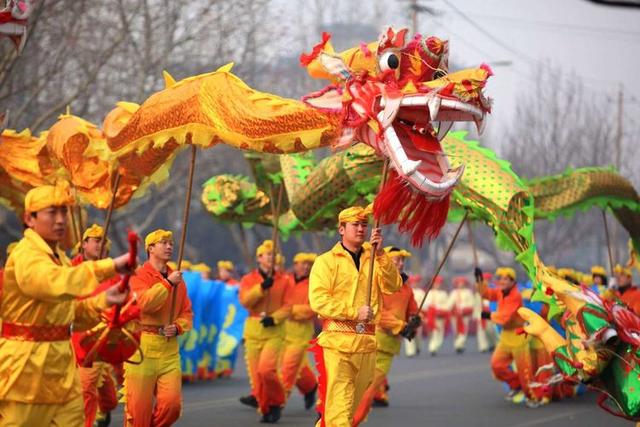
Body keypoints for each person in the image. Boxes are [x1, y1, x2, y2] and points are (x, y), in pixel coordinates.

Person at [0, 182, 131, 426]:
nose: (61, 220)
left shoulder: (59, 256)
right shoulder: (26, 255)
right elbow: (54, 283)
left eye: (63, 212)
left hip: (62, 371)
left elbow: (68, 314)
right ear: (29, 218)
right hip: (26, 372)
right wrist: (109, 267)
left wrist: (104, 300)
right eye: (52, 212)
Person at [309, 205, 402, 427]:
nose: (361, 229)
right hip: (336, 345)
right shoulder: (326, 261)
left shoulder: (375, 258)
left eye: (363, 225)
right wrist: (354, 313)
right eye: (355, 225)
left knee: (348, 411)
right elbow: (319, 301)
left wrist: (380, 254)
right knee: (339, 412)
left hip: (367, 345)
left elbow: (393, 285)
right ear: (341, 229)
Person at [123, 229, 193, 427]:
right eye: (163, 243)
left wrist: (178, 327)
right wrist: (168, 284)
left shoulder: (177, 278)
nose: (169, 246)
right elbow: (144, 303)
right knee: (138, 411)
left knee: (172, 406)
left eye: (171, 243)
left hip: (169, 350)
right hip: (141, 348)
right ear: (150, 248)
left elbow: (187, 313)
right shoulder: (138, 275)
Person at [353, 246, 420, 425]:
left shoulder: (406, 288)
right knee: (360, 386)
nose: (400, 263)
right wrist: (401, 326)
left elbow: (412, 311)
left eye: (402, 260)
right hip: (371, 340)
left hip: (388, 346)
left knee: (370, 388)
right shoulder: (378, 283)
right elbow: (377, 313)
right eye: (395, 260)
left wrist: (414, 322)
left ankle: (350, 421)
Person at [71, 224, 120, 427]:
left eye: (103, 241)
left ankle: (102, 409)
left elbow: (119, 299)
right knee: (86, 386)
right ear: (84, 244)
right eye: (96, 240)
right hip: (75, 335)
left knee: (91, 387)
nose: (101, 245)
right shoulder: (71, 268)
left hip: (101, 336)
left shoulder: (110, 270)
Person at [238, 240, 292, 423]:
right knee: (257, 376)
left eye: (273, 254)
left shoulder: (284, 280)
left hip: (274, 332)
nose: (271, 257)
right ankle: (265, 407)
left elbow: (288, 306)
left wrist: (274, 318)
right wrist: (261, 288)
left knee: (267, 370)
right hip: (253, 332)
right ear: (259, 258)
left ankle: (277, 402)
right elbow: (245, 301)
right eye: (267, 254)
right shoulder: (248, 279)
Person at [476, 267, 536, 407]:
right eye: (500, 279)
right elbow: (485, 293)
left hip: (519, 336)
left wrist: (488, 315)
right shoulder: (500, 292)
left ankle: (532, 397)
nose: (501, 281)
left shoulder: (515, 295)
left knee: (524, 371)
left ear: (512, 281)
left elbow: (505, 317)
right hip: (506, 337)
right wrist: (480, 281)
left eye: (505, 279)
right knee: (496, 366)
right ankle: (516, 386)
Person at [280, 252, 318, 410]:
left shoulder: (315, 284)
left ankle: (277, 401)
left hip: (301, 334)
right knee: (298, 367)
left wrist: (289, 310)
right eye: (302, 263)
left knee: (288, 367)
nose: (306, 267)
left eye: (309, 264)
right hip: (282, 331)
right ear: (295, 264)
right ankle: (310, 387)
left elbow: (311, 310)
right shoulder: (285, 280)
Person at [448, 276, 474, 354]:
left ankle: (459, 345)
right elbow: (449, 303)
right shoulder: (454, 293)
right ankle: (458, 345)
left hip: (464, 315)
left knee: (464, 330)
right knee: (456, 330)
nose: (460, 285)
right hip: (455, 315)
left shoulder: (468, 292)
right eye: (459, 283)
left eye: (462, 283)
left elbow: (471, 303)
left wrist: (465, 309)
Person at [425, 276, 449, 356]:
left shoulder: (444, 294)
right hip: (431, 316)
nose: (437, 285)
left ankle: (435, 346)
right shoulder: (429, 293)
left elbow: (447, 305)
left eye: (439, 284)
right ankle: (432, 348)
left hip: (440, 316)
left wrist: (440, 309)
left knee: (439, 332)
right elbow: (426, 304)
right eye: (436, 283)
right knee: (433, 332)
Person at [474, 271, 497, 353]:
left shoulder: (493, 291)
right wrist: (476, 315)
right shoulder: (478, 293)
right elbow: (476, 305)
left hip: (491, 313)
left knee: (491, 330)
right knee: (481, 330)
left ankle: (493, 343)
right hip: (481, 313)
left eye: (488, 280)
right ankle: (483, 346)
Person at [404, 275, 425, 357]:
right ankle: (410, 351)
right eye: (413, 282)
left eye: (416, 282)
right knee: (408, 330)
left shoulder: (421, 293)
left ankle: (418, 346)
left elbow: (425, 304)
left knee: (418, 333)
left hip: (418, 314)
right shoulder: (407, 291)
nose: (414, 284)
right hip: (408, 314)